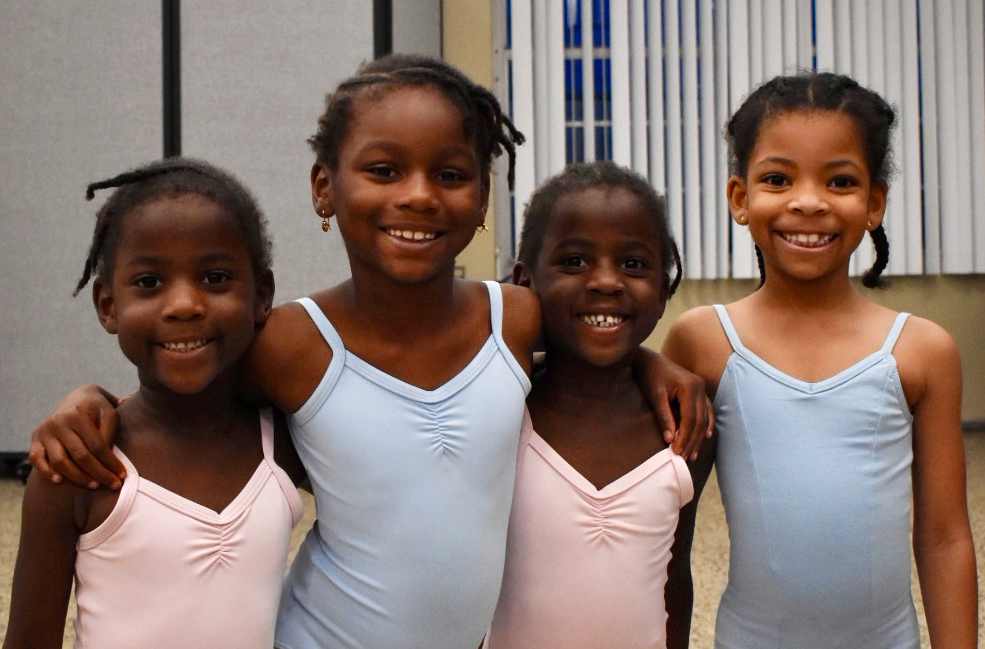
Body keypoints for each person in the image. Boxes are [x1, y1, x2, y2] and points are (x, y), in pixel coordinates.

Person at [26, 55, 711, 649]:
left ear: (480, 199)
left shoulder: (515, 318)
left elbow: (594, 343)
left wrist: (656, 364)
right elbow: (184, 396)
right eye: (383, 170)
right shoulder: (292, 342)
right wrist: (87, 404)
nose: (416, 195)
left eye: (449, 173)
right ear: (325, 186)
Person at [661, 72, 978, 648]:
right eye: (779, 178)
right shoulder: (702, 342)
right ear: (740, 197)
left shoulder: (922, 351)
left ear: (875, 203)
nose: (808, 202)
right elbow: (666, 535)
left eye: (840, 181)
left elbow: (944, 536)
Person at [2, 158, 306, 649]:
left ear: (261, 295)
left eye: (215, 277)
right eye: (149, 283)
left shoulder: (286, 443)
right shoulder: (79, 465)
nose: (184, 303)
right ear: (107, 307)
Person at [483, 162, 715, 649]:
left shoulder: (685, 424)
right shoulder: (496, 411)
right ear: (524, 281)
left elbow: (674, 579)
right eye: (574, 261)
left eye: (633, 264)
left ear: (663, 286)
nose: (607, 282)